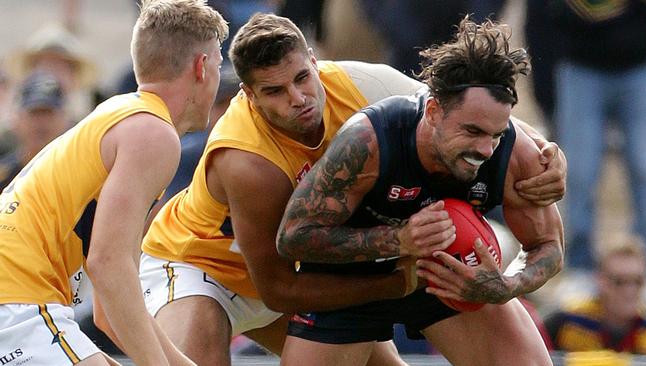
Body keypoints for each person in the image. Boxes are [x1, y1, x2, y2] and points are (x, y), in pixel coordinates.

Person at [139, 13, 567, 365]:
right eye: (274, 91)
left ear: (313, 60)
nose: (298, 99)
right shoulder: (248, 162)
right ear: (248, 95)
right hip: (204, 266)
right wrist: (396, 276)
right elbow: (277, 286)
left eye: (303, 78)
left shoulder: (365, 83)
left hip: (318, 263)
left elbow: (461, 108)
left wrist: (539, 149)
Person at [277, 16, 565, 366]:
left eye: (496, 134)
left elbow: (548, 247)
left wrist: (506, 284)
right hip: (351, 280)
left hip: (446, 278)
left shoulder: (519, 155)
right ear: (432, 112)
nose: (485, 149)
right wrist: (399, 240)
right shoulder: (368, 142)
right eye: (472, 131)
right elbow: (293, 237)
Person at [0, 0, 228, 364]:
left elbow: (109, 312)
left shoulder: (123, 116)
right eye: (218, 64)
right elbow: (108, 263)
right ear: (202, 67)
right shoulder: (153, 133)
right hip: (18, 300)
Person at [549, 0, 646, 271]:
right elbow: (542, 16)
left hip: (641, 64)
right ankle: (580, 264)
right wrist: (546, 97)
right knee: (579, 172)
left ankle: (643, 265)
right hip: (580, 66)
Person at [544, 232, 646, 354]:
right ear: (600, 280)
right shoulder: (568, 322)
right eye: (619, 281)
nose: (630, 290)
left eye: (638, 281)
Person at [0, 72, 71, 190]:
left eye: (48, 113)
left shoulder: (80, 175)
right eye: (34, 113)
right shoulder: (4, 175)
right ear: (18, 119)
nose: (41, 123)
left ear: (64, 119)